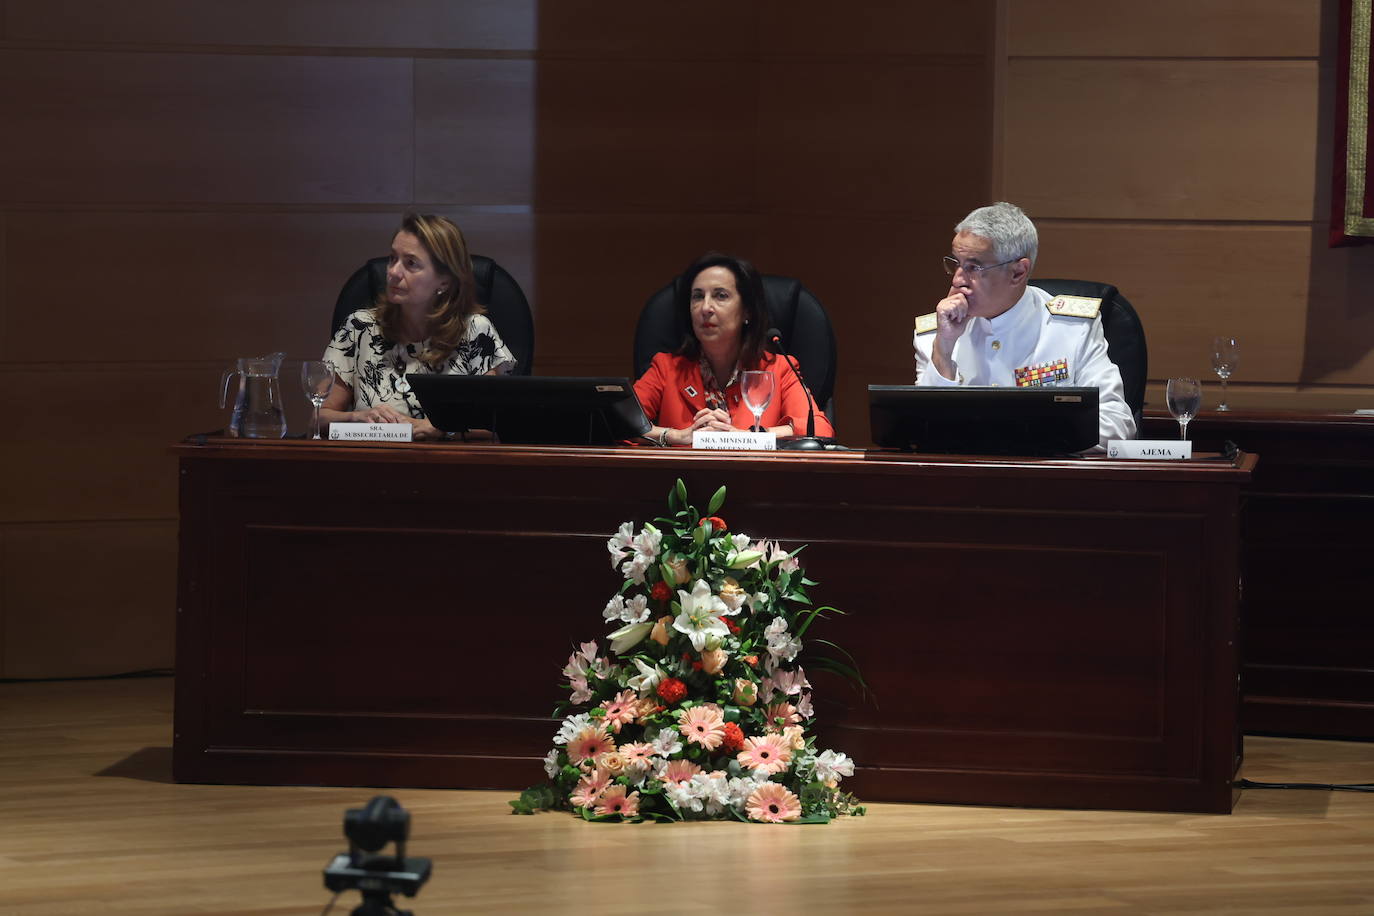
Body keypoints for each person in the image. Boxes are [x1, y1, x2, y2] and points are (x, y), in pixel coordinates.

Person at [913, 201, 1136, 450]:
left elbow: (1116, 426)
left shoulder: (1072, 328)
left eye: (974, 267)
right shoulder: (936, 333)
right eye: (956, 263)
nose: (958, 279)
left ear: (1018, 272)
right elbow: (923, 432)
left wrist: (1017, 437)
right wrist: (943, 349)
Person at [319, 213, 515, 439]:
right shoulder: (359, 327)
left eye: (411, 263)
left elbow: (492, 426)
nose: (393, 272)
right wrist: (356, 418)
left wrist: (441, 428)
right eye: (393, 258)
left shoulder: (475, 332)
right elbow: (318, 419)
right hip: (373, 465)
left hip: (451, 469)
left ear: (445, 280)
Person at [634, 252, 834, 446]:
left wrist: (748, 437)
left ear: (747, 310)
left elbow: (818, 429)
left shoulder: (779, 369)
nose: (705, 308)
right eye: (697, 297)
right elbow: (618, 425)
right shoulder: (666, 368)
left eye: (720, 296)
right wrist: (677, 436)